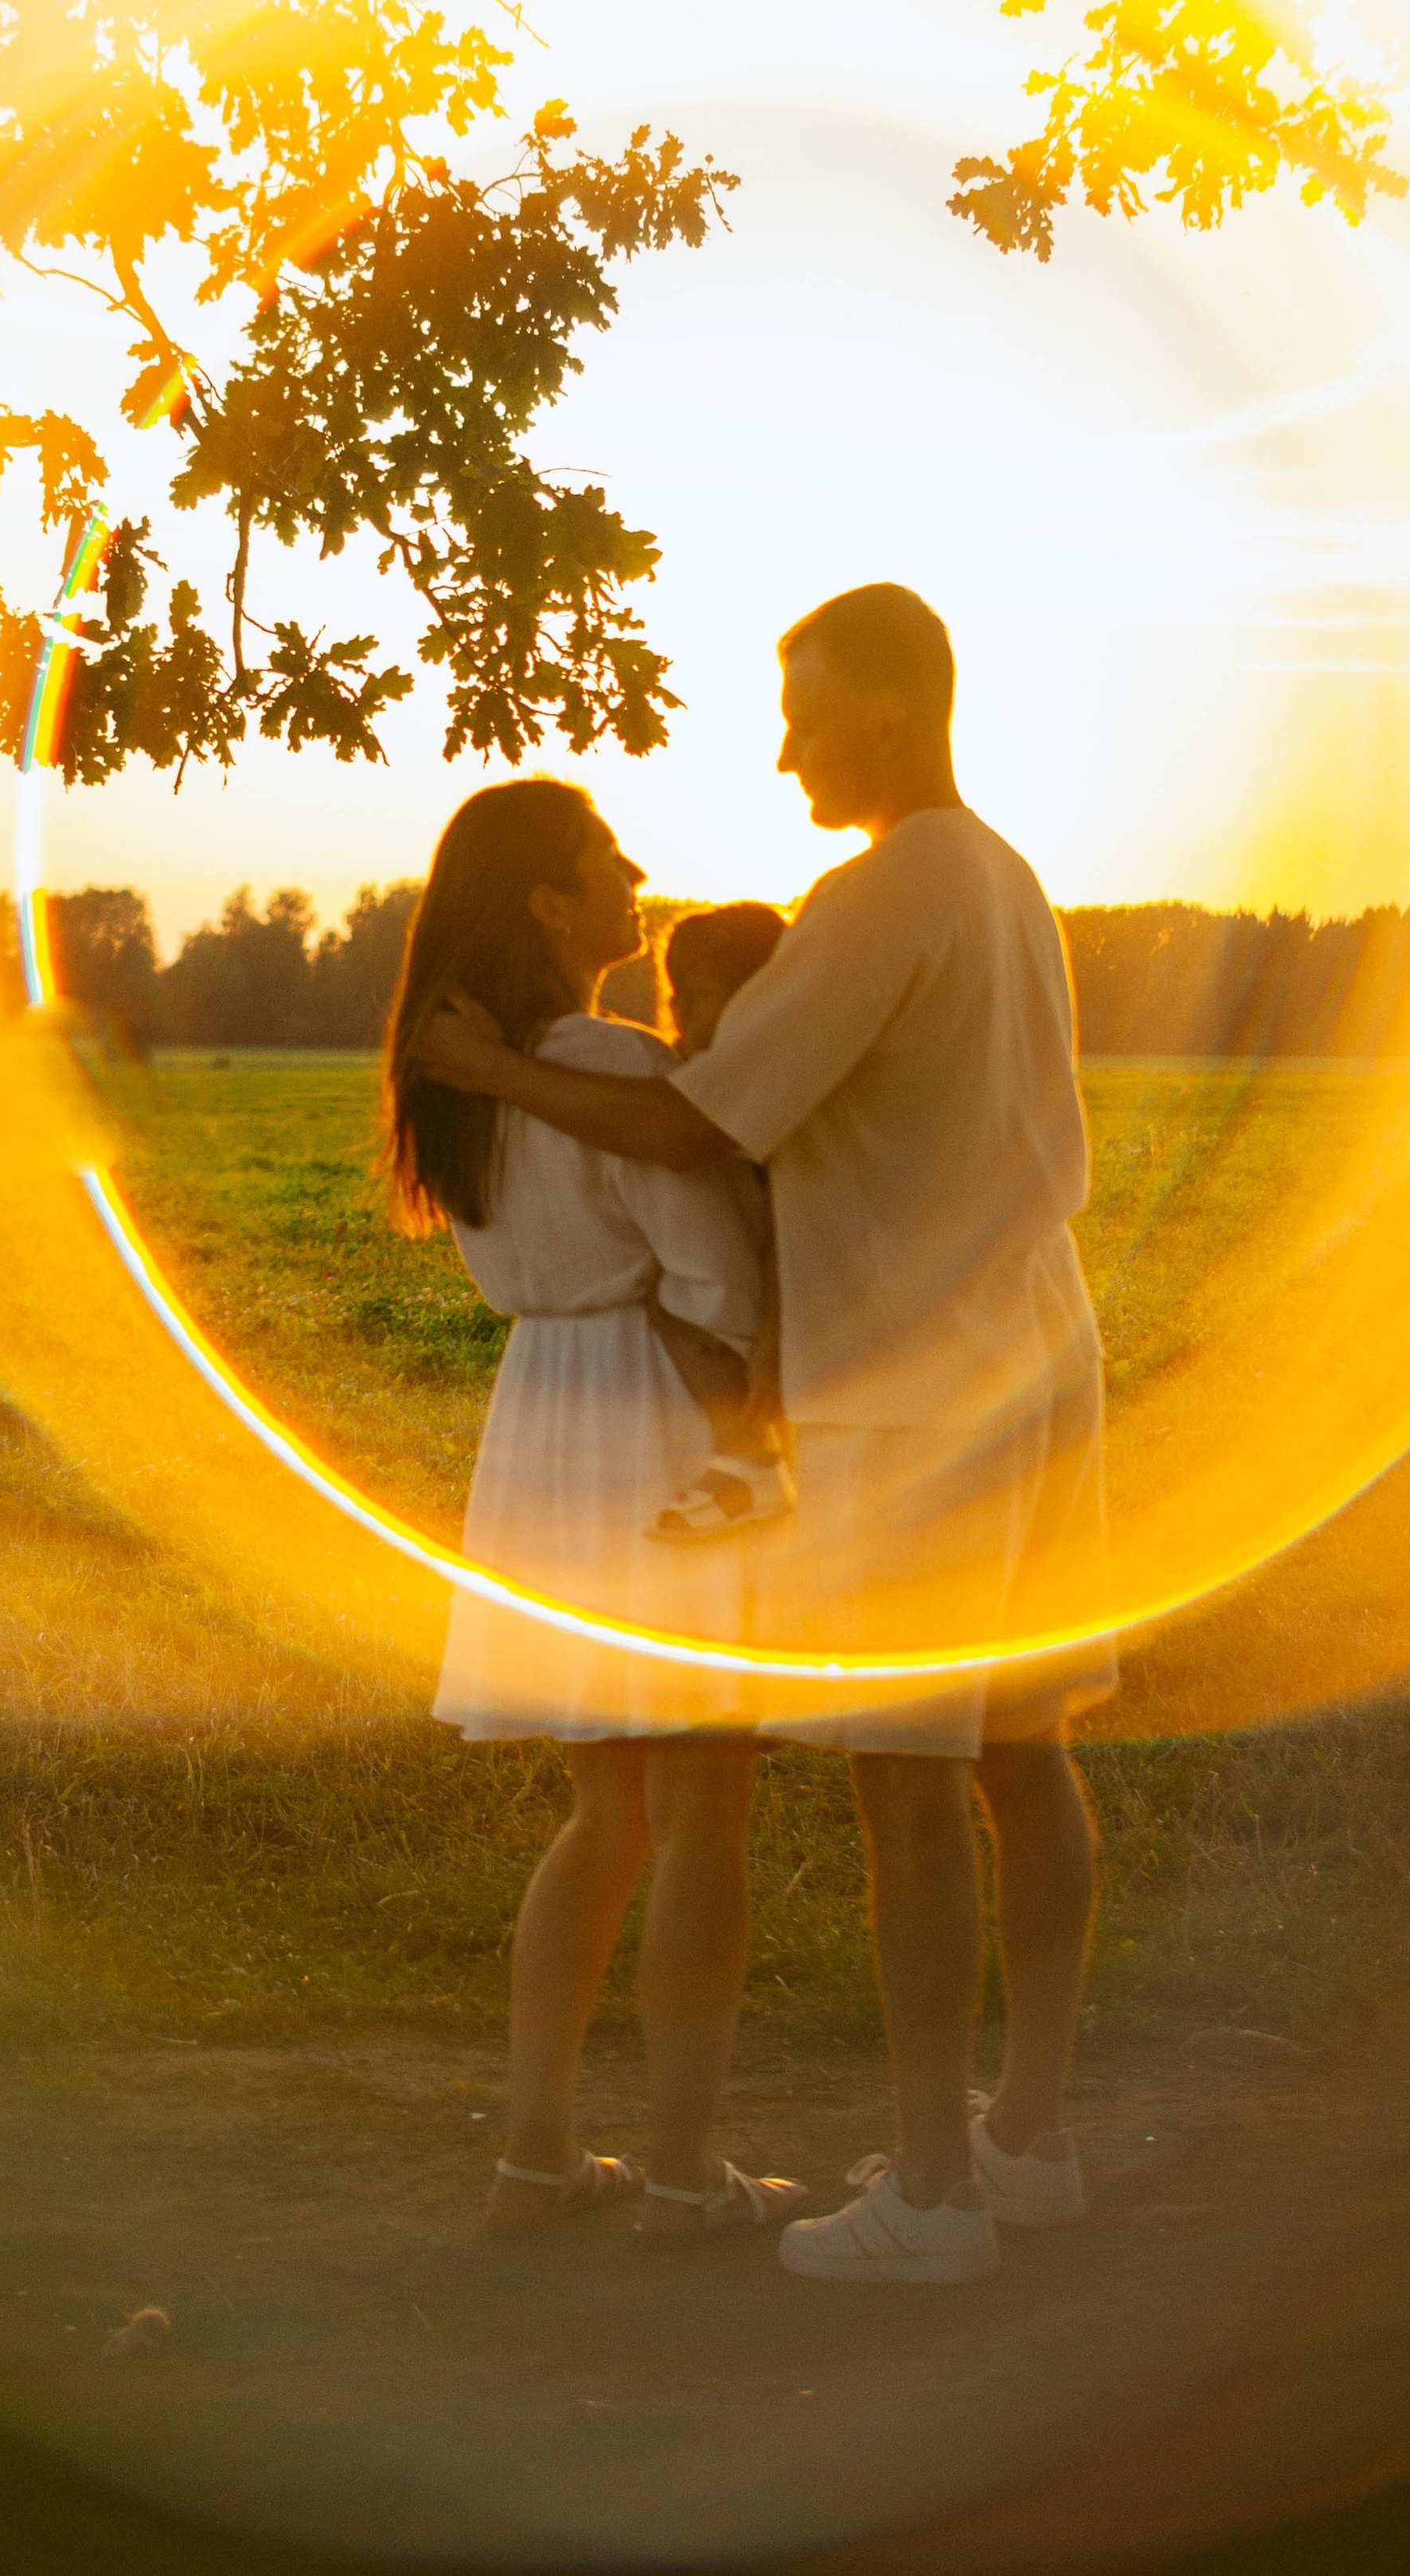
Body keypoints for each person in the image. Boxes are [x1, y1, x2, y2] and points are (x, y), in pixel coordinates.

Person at [415, 586, 1112, 2288]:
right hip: (1036, 1346)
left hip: (903, 1374)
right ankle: (1022, 2139)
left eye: (800, 712)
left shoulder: (879, 895)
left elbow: (686, 1118)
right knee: (1021, 1747)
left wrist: (496, 1077)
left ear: (881, 710)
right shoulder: (1005, 876)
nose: (782, 746)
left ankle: (932, 2199)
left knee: (908, 1782)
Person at [384, 778, 805, 2243]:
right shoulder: (610, 1066)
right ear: (549, 904)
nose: (636, 870)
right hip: (658, 1410)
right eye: (602, 858)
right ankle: (687, 2174)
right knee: (701, 1815)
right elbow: (711, 1266)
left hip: (541, 1421)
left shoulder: (460, 1077)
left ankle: (537, 2154)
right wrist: (746, 1390)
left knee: (605, 1814)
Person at [647, 904, 793, 1542]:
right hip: (755, 1259)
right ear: (675, 1007)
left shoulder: (779, 1074)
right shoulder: (691, 1073)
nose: (722, 1023)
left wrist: (773, 1331)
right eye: (705, 1001)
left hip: (789, 1271)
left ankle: (752, 1455)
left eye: (747, 1003)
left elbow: (794, 1213)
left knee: (675, 1308)